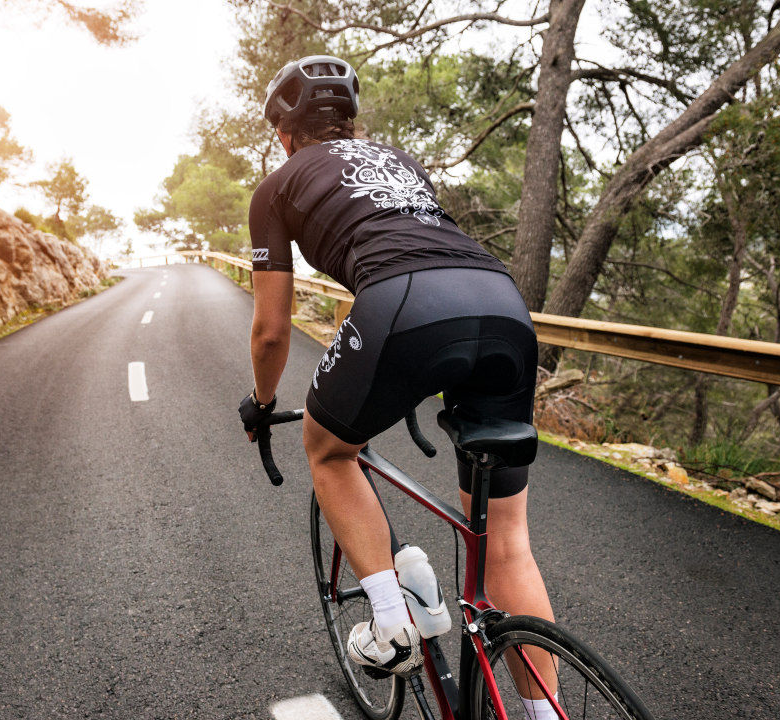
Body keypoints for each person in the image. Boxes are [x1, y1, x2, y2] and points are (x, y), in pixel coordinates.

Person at [237, 56, 555, 687]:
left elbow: (273, 329)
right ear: (351, 124)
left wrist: (262, 402)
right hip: (502, 303)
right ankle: (548, 711)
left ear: (283, 133)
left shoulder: (275, 187)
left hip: (406, 307)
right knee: (506, 540)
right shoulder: (403, 161)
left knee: (328, 449)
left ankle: (390, 624)